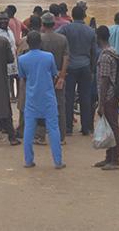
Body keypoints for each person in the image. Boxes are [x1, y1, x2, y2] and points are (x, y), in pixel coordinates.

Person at [17, 31, 66, 169]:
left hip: (32, 98)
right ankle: (58, 161)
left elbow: (23, 77)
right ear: (40, 42)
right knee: (53, 129)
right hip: (48, 98)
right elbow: (53, 74)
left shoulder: (22, 59)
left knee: (29, 130)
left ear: (28, 43)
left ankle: (28, 160)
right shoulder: (48, 57)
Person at [58, 5, 98, 136]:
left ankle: (68, 127)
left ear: (72, 16)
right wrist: (92, 70)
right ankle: (85, 128)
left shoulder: (65, 29)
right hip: (85, 66)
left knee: (68, 97)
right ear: (84, 16)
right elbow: (93, 53)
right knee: (85, 97)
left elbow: (56, 37)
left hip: (70, 67)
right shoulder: (90, 31)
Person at [94, 25, 119, 170]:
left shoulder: (105, 56)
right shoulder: (113, 52)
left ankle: (115, 160)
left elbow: (104, 80)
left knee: (112, 127)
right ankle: (109, 157)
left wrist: (101, 103)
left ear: (98, 37)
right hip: (113, 95)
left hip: (108, 96)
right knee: (110, 127)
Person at [39, 11, 70, 142]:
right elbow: (66, 58)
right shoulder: (62, 39)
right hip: (58, 75)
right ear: (53, 24)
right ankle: (61, 137)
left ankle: (41, 137)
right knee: (60, 106)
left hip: (44, 76)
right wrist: (62, 76)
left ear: (43, 24)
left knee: (42, 106)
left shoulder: (40, 39)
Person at [0, 12, 19, 101]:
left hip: (13, 58)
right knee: (8, 79)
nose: (3, 21)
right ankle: (9, 95)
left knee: (15, 76)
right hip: (4, 60)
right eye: (1, 19)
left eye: (5, 19)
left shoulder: (9, 30)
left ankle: (16, 96)